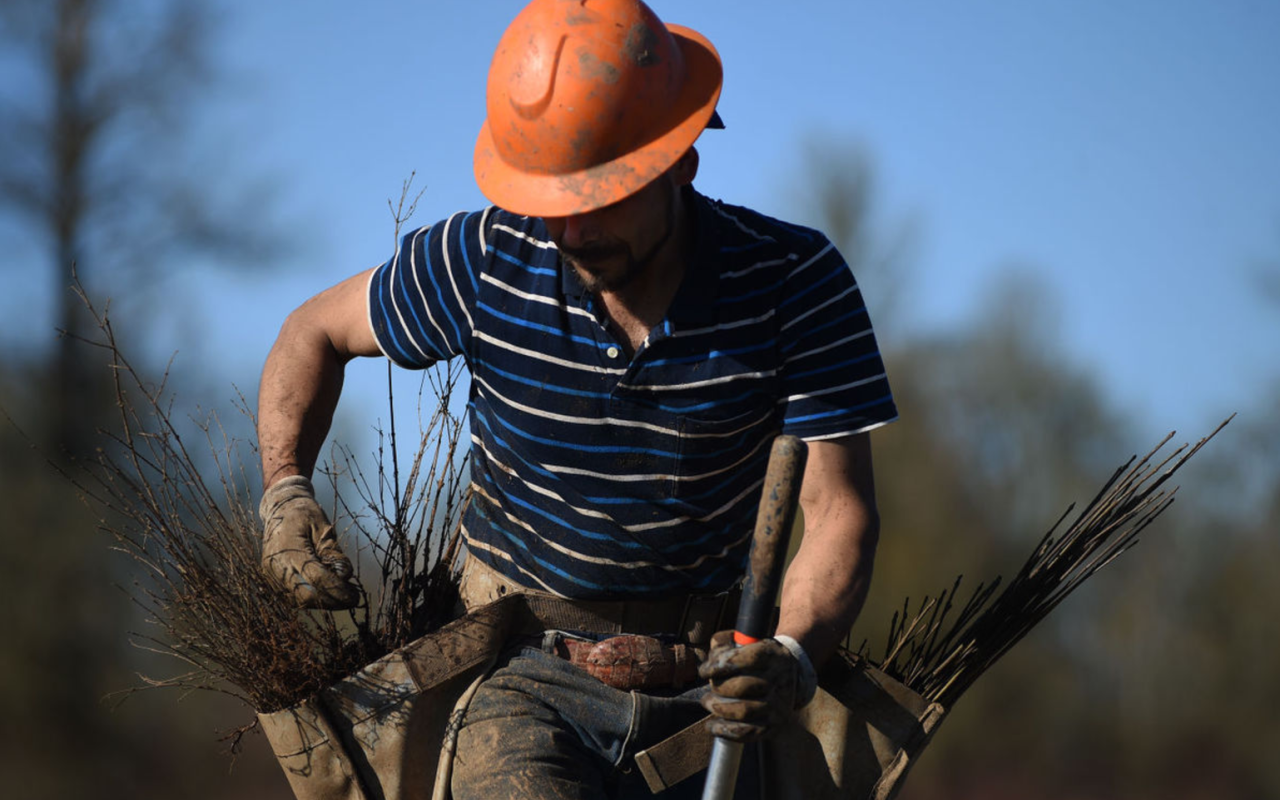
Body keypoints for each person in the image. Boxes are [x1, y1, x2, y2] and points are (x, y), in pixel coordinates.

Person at [255, 0, 897, 797]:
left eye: (601, 200)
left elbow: (840, 514)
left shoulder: (794, 284)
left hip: (712, 689)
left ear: (681, 164)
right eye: (554, 204)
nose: (573, 232)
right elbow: (309, 332)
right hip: (519, 679)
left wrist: (792, 659)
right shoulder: (489, 257)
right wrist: (284, 489)